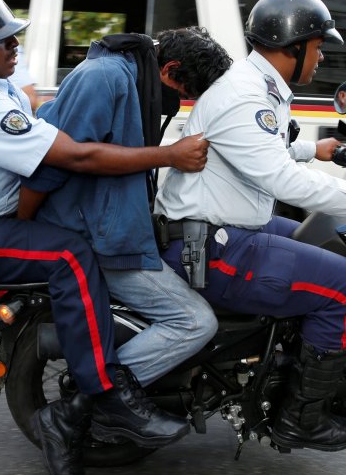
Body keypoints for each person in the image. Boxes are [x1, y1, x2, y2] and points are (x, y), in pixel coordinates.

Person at [0, 0, 208, 475]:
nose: (14, 47)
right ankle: (101, 395)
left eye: (14, 37)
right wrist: (169, 155)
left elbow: (27, 105)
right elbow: (77, 157)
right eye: (2, 42)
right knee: (69, 253)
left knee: (73, 247)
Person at [153, 0, 346, 453]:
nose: (321, 57)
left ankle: (286, 361)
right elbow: (282, 180)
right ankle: (301, 418)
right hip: (211, 247)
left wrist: (312, 149)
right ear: (292, 46)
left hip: (224, 231)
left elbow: (254, 152)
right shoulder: (246, 95)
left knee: (337, 243)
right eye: (318, 47)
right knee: (343, 285)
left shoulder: (255, 86)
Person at [20, 27, 231, 450]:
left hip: (115, 229)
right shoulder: (105, 77)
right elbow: (59, 160)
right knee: (195, 321)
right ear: (169, 68)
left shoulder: (134, 83)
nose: (181, 101)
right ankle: (88, 406)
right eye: (185, 90)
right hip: (93, 240)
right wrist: (22, 226)